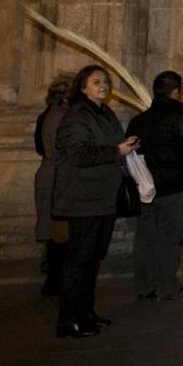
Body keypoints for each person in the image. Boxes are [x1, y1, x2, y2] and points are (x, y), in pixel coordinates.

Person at [51, 64, 138, 338]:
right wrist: (116, 150)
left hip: (102, 197)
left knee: (93, 259)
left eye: (106, 82)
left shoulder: (104, 113)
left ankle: (87, 313)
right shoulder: (78, 116)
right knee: (79, 260)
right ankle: (68, 320)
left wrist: (127, 145)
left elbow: (111, 144)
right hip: (83, 198)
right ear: (83, 86)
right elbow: (78, 155)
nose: (103, 86)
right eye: (96, 81)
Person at [126, 71, 183, 301]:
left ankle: (144, 285)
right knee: (170, 237)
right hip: (172, 187)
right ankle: (167, 286)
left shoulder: (139, 120)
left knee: (145, 236)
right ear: (175, 90)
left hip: (145, 188)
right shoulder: (180, 118)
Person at [34, 71, 73, 297]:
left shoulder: (46, 115)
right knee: (61, 233)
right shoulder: (64, 117)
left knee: (55, 230)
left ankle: (53, 277)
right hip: (59, 177)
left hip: (48, 174)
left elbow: (40, 147)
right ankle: (56, 281)